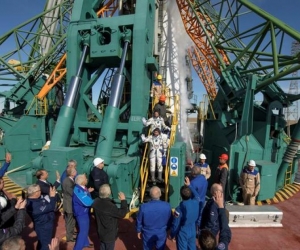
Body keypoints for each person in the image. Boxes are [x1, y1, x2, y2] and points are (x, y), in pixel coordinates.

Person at [92, 184, 127, 250]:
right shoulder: (110, 206)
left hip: (100, 231)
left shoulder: (96, 201)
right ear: (109, 193)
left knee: (102, 246)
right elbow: (122, 214)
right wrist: (123, 200)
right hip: (109, 234)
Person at [26, 184, 56, 250]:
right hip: (43, 227)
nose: (41, 191)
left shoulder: (35, 200)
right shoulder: (34, 205)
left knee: (41, 243)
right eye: (39, 190)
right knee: (46, 245)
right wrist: (53, 197)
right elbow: (51, 206)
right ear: (35, 193)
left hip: (43, 225)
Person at [170, 186, 199, 250]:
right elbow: (197, 195)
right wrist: (190, 186)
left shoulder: (179, 209)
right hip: (193, 228)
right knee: (192, 247)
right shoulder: (196, 202)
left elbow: (175, 223)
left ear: (181, 195)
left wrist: (172, 234)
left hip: (183, 231)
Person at [72, 174, 94, 250]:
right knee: (83, 231)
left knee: (85, 229)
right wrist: (97, 202)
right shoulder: (78, 190)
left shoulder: (83, 188)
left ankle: (85, 243)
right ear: (81, 181)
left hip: (85, 212)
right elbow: (87, 202)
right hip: (81, 213)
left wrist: (88, 191)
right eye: (85, 178)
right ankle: (77, 248)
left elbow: (84, 194)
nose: (87, 180)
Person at [62, 167, 77, 242]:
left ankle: (71, 233)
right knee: (70, 221)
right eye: (74, 171)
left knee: (70, 220)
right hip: (69, 204)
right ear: (71, 173)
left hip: (69, 203)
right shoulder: (68, 181)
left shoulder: (69, 180)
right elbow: (72, 193)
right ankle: (69, 237)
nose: (76, 171)